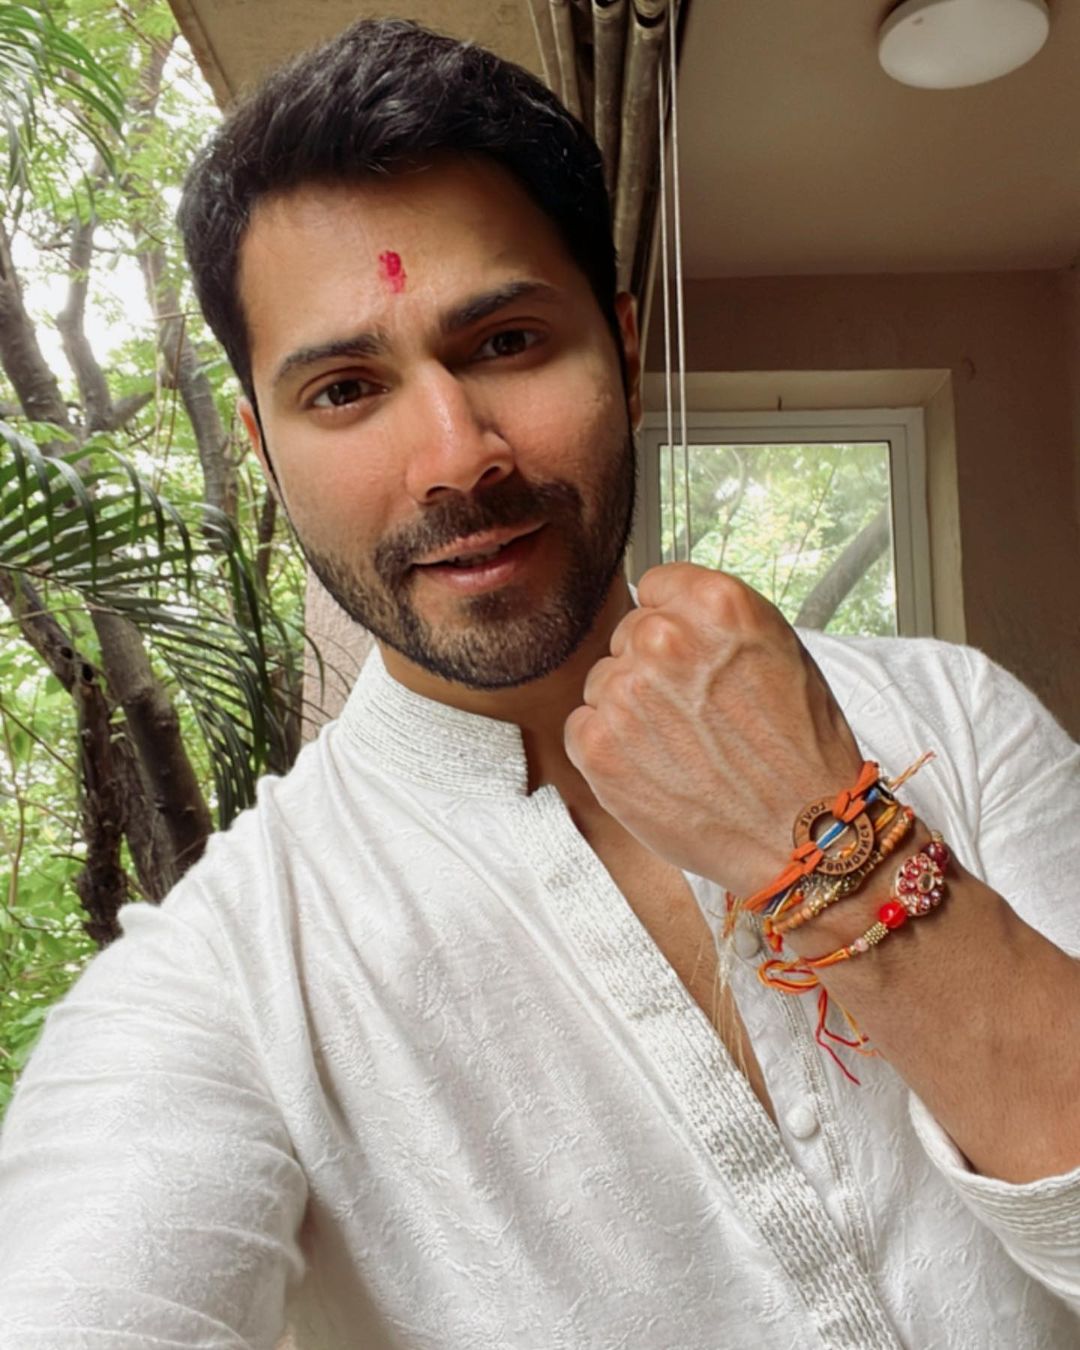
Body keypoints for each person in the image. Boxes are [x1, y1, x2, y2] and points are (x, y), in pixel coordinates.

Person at [1, 16, 1077, 1349]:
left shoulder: (956, 720)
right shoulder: (233, 979)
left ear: (623, 350)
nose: (457, 456)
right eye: (344, 389)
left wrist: (831, 839)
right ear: (263, 448)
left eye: (506, 342)